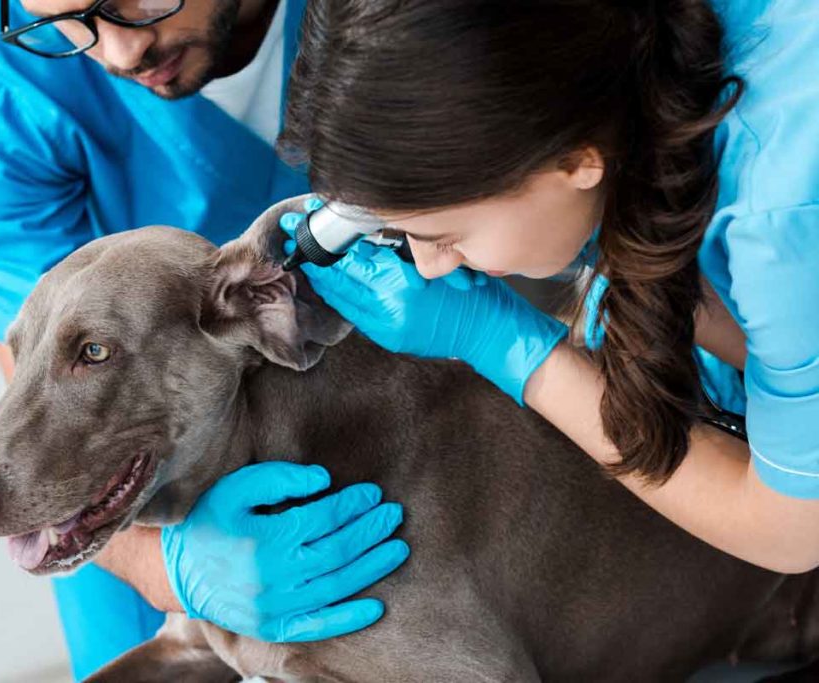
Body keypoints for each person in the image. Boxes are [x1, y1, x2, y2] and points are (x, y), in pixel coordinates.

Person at [0, 0, 406, 678]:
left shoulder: (414, 17)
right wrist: (169, 572)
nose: (118, 53)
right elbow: (35, 370)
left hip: (391, 452)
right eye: (70, 21)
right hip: (118, 495)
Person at [277, 0, 819, 574]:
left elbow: (793, 530)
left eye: (446, 234)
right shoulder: (622, 54)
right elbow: (785, 358)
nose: (431, 265)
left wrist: (503, 343)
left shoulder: (781, 219)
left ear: (576, 162)